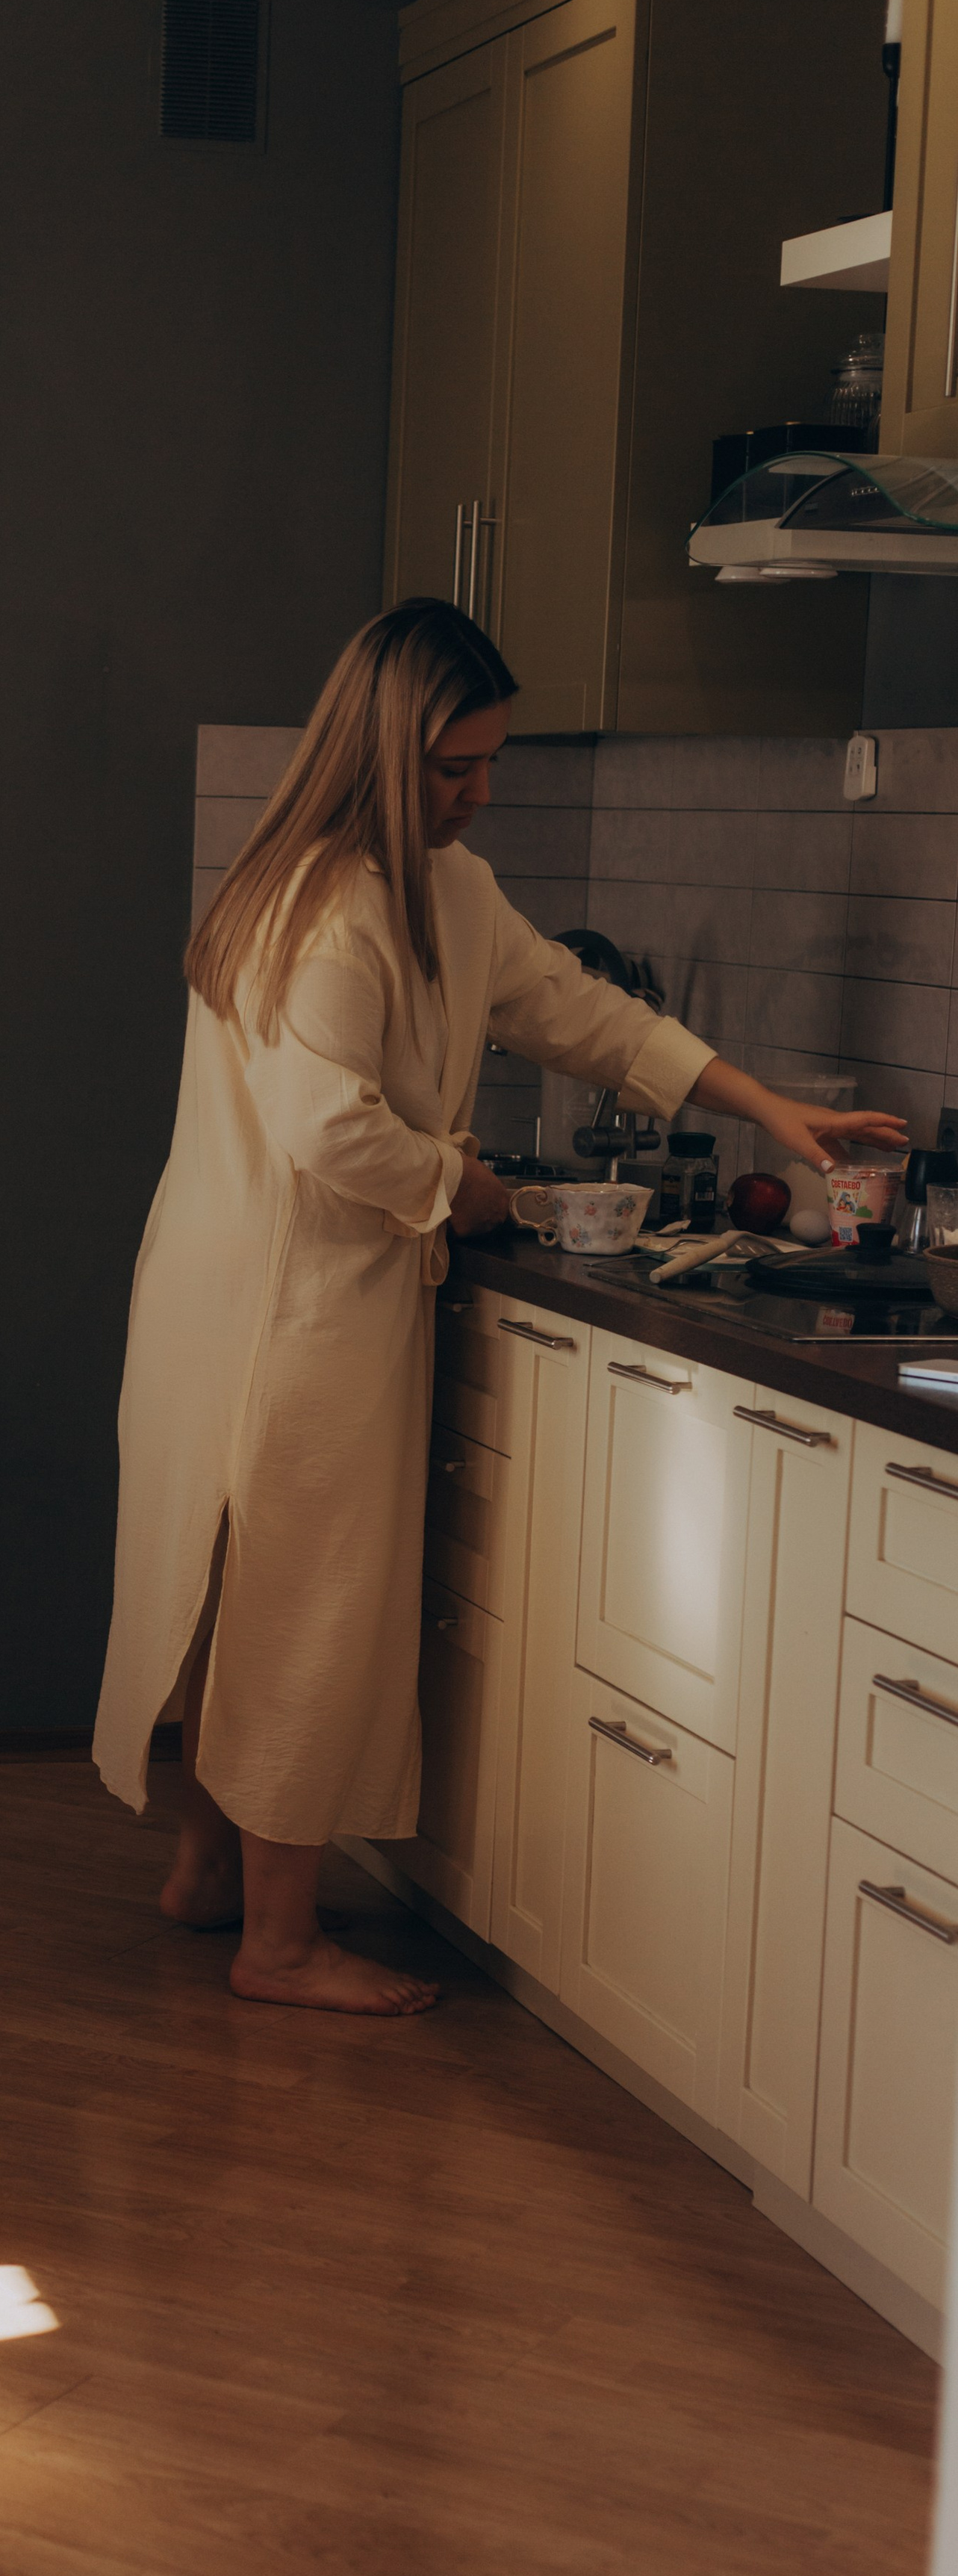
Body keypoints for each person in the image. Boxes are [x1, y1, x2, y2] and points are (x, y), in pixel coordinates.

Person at [93, 600, 908, 2016]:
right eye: (457, 770)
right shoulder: (327, 907)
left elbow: (581, 1012)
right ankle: (278, 1947)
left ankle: (208, 1871)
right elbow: (328, 1132)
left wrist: (774, 1109)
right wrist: (459, 1188)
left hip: (242, 1294)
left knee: (239, 1582)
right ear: (379, 757)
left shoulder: (435, 887)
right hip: (290, 1310)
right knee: (305, 1610)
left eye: (488, 763)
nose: (483, 793)